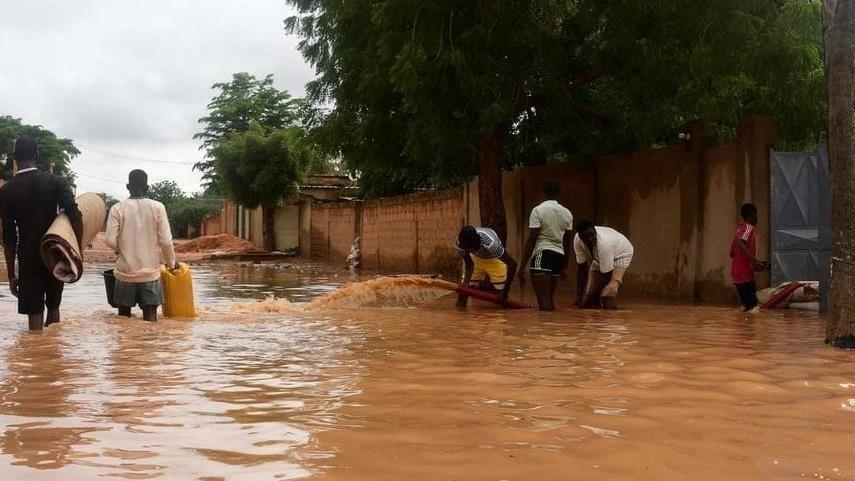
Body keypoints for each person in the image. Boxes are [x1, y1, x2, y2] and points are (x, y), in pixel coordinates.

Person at [0, 136, 83, 330]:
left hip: (28, 257)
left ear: (14, 158)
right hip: (55, 252)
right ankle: (53, 355)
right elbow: (75, 214)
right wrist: (77, 251)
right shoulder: (54, 182)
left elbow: (9, 236)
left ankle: (35, 355)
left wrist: (12, 273)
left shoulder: (7, 191)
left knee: (34, 318)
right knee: (54, 308)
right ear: (36, 155)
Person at [105, 169, 178, 322]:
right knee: (151, 322)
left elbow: (110, 240)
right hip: (150, 275)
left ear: (127, 186)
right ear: (147, 188)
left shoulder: (117, 208)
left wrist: (120, 250)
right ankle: (148, 344)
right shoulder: (158, 207)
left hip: (125, 274)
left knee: (124, 323)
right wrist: (171, 263)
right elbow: (165, 241)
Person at [518, 180, 574, 310]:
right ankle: (550, 328)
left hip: (542, 253)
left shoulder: (538, 211)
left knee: (543, 300)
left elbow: (532, 239)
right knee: (549, 298)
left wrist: (522, 267)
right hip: (558, 256)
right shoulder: (567, 213)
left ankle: (543, 328)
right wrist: (565, 266)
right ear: (558, 194)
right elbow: (567, 241)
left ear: (543, 193)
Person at [573, 220, 634, 309]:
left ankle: (610, 318)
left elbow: (606, 275)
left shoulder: (604, 244)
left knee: (607, 294)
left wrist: (588, 301)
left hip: (621, 254)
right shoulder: (577, 240)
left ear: (595, 232)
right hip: (599, 257)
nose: (590, 239)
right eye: (586, 236)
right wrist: (579, 298)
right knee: (590, 293)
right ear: (580, 236)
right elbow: (582, 269)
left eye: (592, 235)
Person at [455, 225, 518, 308]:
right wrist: (465, 283)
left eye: (469, 248)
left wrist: (505, 291)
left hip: (494, 259)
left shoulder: (491, 243)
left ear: (475, 243)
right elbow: (469, 263)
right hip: (475, 259)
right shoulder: (460, 243)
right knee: (463, 293)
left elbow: (513, 264)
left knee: (501, 298)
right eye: (466, 249)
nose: (466, 250)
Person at [730, 203, 768, 313]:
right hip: (745, 275)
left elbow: (733, 254)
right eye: (756, 215)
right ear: (751, 215)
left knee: (745, 307)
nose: (757, 218)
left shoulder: (739, 230)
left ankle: (742, 329)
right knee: (754, 308)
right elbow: (740, 243)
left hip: (736, 275)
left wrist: (756, 265)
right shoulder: (748, 227)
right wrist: (754, 261)